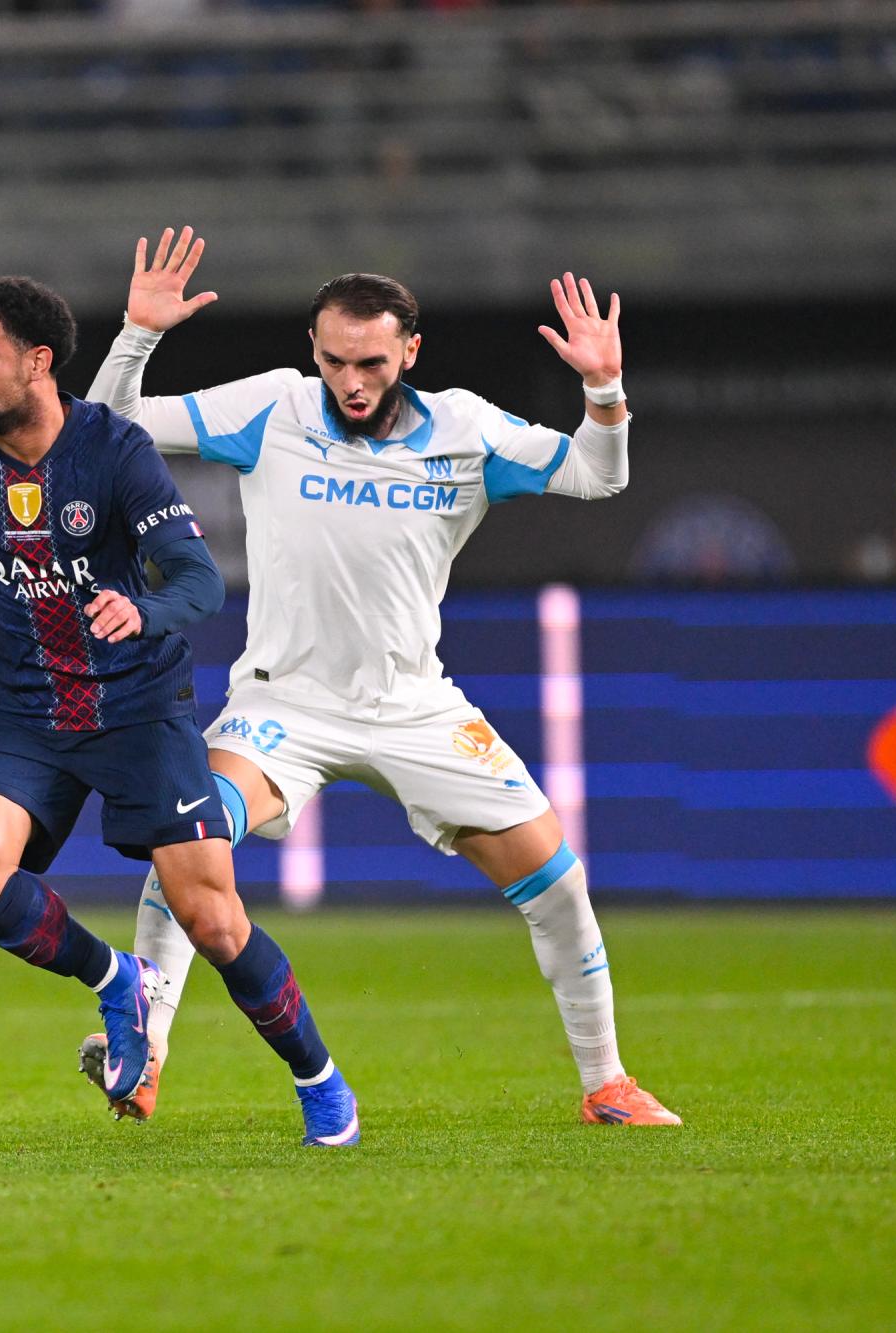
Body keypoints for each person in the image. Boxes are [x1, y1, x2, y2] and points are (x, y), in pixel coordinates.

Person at [81, 226, 680, 1127]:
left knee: (557, 881)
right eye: (334, 361)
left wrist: (603, 387)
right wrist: (138, 335)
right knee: (188, 835)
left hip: (415, 705)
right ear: (314, 352)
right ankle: (147, 1055)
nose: (351, 381)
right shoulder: (273, 410)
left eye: (369, 361)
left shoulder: (467, 429)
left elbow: (600, 477)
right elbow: (110, 425)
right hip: (287, 702)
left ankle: (606, 1083)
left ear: (410, 350)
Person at [0, 275, 360, 1146]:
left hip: (139, 706)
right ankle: (115, 977)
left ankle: (319, 1081)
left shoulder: (115, 450)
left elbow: (201, 581)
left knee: (212, 918)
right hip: (26, 709)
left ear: (38, 362)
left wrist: (145, 609)